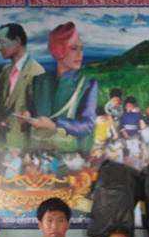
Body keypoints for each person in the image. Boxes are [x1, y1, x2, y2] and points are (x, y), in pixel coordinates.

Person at [25, 22, 99, 153]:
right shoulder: (39, 81)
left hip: (71, 155)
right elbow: (32, 112)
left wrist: (56, 124)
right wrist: (27, 116)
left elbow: (88, 126)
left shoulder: (87, 83)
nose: (80, 54)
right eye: (74, 48)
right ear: (58, 50)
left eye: (81, 49)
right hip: (40, 152)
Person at [0, 23, 45, 148]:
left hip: (22, 144)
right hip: (2, 140)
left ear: (17, 41)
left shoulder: (36, 72)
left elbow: (40, 116)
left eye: (2, 42)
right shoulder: (6, 71)